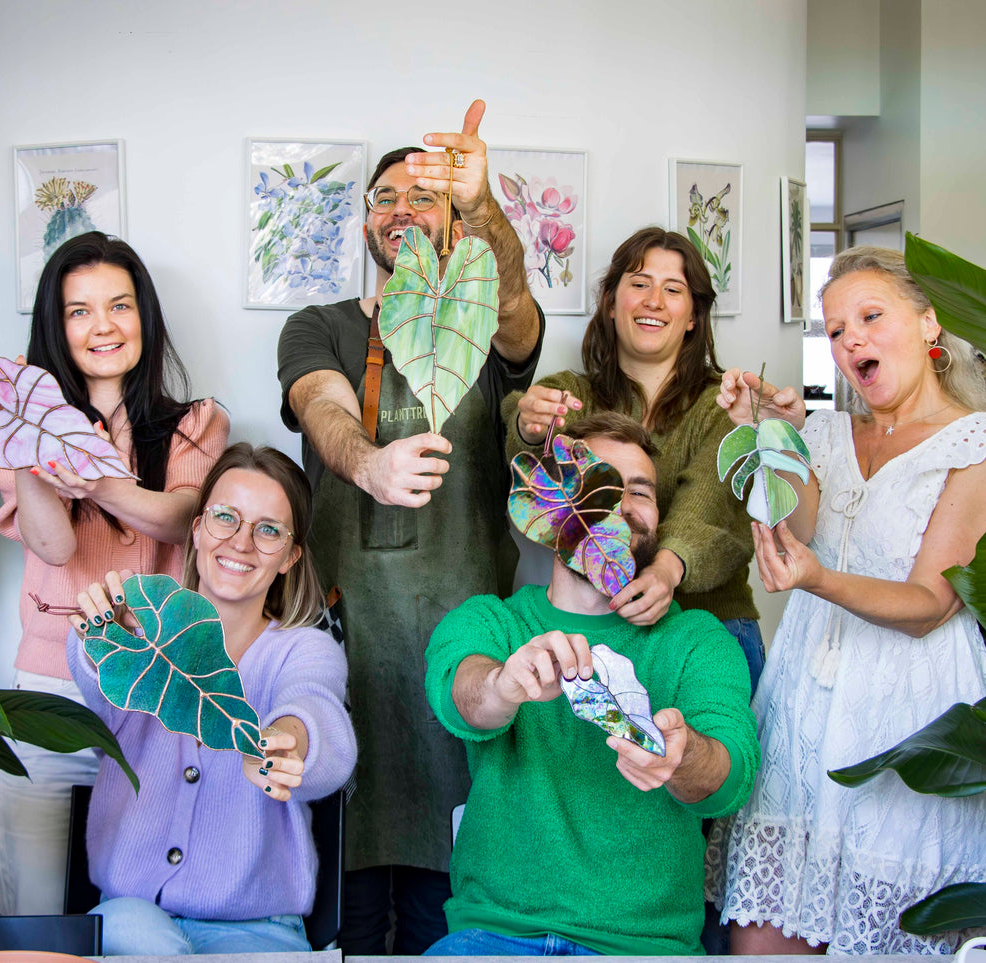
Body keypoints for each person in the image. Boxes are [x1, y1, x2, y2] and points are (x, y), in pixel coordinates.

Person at [706, 246, 986, 955]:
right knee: (761, 936)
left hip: (910, 712)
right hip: (804, 703)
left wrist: (815, 579)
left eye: (869, 315)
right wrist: (765, 434)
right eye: (833, 329)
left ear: (927, 325)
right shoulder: (826, 432)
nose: (849, 337)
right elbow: (800, 527)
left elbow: (929, 601)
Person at [275, 100, 543, 954]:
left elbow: (515, 306)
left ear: (453, 218)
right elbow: (318, 403)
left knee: (445, 879)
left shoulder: (488, 319)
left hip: (461, 633)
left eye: (423, 197)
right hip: (342, 629)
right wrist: (368, 464)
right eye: (384, 197)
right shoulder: (320, 325)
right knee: (344, 865)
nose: (400, 211)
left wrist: (484, 203)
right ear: (363, 221)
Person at [0, 231, 228, 915]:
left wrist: (92, 474)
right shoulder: (26, 424)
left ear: (144, 317)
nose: (103, 326)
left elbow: (177, 518)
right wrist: (20, 447)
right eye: (79, 311)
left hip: (155, 688)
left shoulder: (194, 422)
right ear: (55, 325)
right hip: (51, 685)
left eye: (119, 305)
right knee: (33, 905)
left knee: (140, 902)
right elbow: (53, 546)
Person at [423, 411, 758, 957]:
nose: (621, 504)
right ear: (552, 508)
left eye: (640, 492)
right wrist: (506, 684)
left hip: (645, 948)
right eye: (599, 484)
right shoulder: (491, 622)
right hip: (494, 936)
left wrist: (683, 755)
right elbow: (461, 697)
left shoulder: (698, 639)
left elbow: (730, 776)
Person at [68, 443, 357, 955]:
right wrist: (100, 638)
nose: (241, 542)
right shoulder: (138, 629)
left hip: (260, 932)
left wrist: (286, 742)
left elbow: (314, 710)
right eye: (226, 517)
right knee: (132, 934)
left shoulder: (302, 647)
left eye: (268, 529)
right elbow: (97, 682)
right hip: (131, 922)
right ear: (198, 528)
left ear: (291, 555)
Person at [506, 227, 763, 692]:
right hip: (595, 633)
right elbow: (534, 484)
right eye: (640, 284)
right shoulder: (573, 392)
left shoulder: (726, 403)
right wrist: (526, 429)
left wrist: (668, 566)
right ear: (610, 302)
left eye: (673, 289)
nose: (654, 301)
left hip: (715, 626)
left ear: (692, 316)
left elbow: (709, 500)